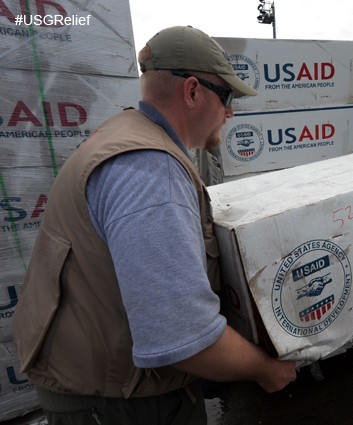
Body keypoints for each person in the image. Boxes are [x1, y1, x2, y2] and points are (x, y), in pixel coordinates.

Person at [12, 26, 296, 424]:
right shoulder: (151, 169)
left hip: (99, 388)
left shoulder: (126, 135)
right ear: (193, 91)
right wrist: (266, 370)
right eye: (227, 97)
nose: (230, 113)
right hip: (120, 405)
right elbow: (182, 337)